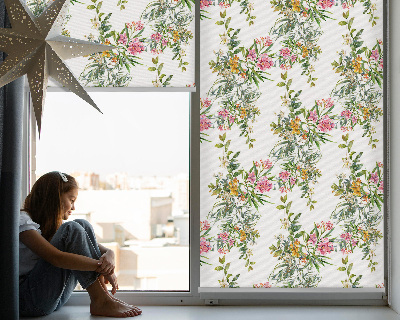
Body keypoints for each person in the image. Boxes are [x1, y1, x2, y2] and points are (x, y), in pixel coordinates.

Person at [19, 171, 142, 317]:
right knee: (72, 228)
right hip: (28, 301)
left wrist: (110, 254)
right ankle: (101, 301)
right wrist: (102, 268)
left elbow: (93, 248)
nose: (73, 207)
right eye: (71, 200)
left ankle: (104, 298)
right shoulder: (23, 221)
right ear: (55, 198)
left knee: (81, 224)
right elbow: (56, 258)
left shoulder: (49, 225)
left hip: (52, 299)